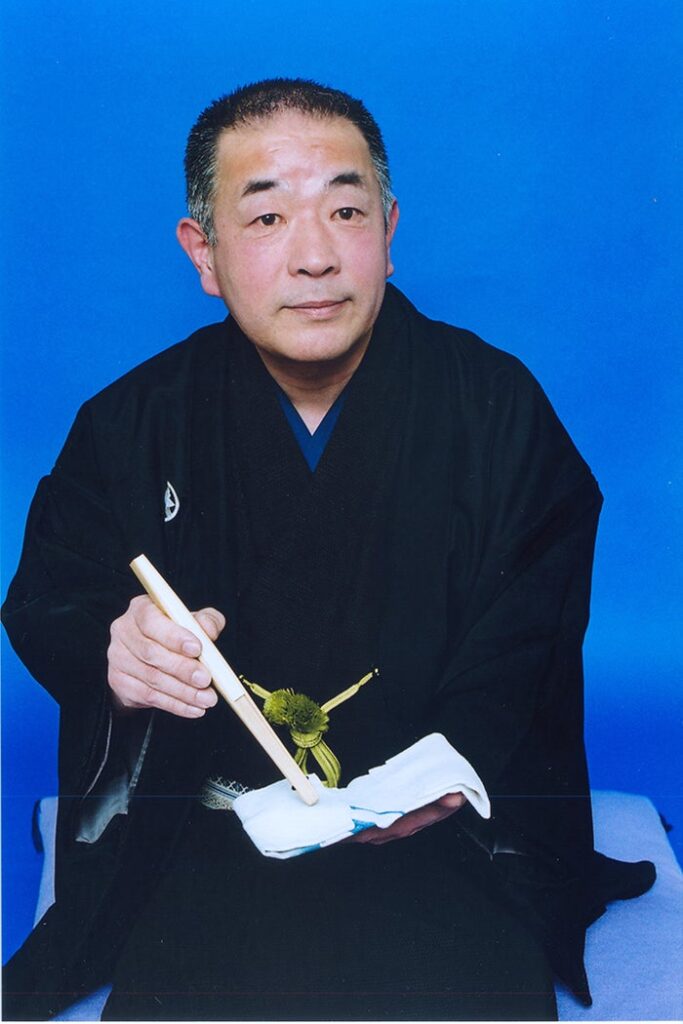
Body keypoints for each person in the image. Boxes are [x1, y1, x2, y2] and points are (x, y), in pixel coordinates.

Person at [2, 78, 655, 1022]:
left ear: (388, 231)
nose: (314, 256)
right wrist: (118, 649)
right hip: (212, 829)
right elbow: (52, 595)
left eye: (346, 211)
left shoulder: (493, 405)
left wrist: (455, 764)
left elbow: (530, 628)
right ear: (204, 253)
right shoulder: (132, 421)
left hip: (441, 831)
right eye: (266, 217)